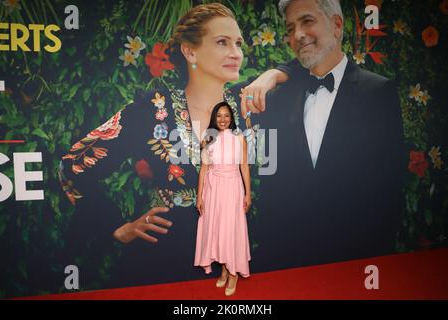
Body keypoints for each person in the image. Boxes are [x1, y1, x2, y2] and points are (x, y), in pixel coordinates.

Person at [58, 3, 287, 289]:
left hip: (236, 257)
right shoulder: (151, 110)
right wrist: (116, 226)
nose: (236, 53)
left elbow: (309, 72)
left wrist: (273, 74)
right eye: (222, 42)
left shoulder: (249, 107)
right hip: (164, 263)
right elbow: (72, 166)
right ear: (190, 51)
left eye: (238, 43)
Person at [240, 0, 405, 271]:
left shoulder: (378, 92)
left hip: (353, 264)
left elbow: (388, 193)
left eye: (307, 21)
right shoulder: (278, 98)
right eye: (291, 28)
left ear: (337, 25)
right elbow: (270, 180)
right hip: (285, 265)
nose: (298, 34)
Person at [194, 102, 251, 296]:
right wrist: (199, 196)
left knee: (231, 230)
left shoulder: (239, 138)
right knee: (218, 230)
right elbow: (204, 169)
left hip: (232, 188)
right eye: (219, 116)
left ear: (232, 118)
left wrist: (247, 193)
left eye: (226, 116)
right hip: (213, 189)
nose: (223, 120)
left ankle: (233, 272)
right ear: (214, 118)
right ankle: (225, 269)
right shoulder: (208, 138)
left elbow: (244, 166)